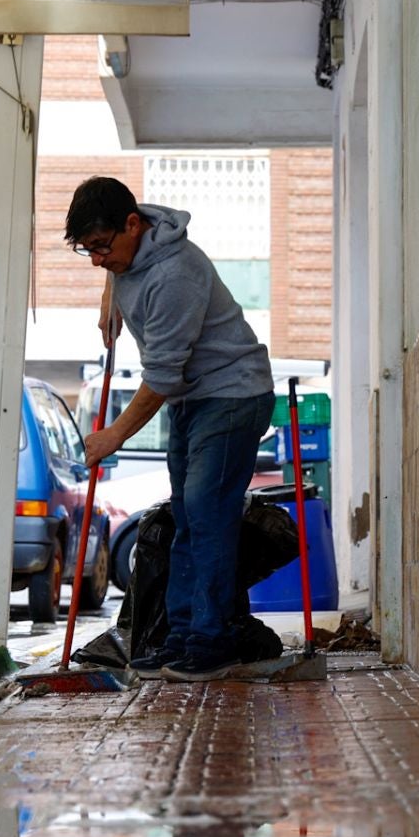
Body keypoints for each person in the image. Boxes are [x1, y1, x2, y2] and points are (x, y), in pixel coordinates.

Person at [65, 175, 274, 682]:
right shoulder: (131, 251)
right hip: (194, 399)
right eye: (87, 251)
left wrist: (113, 435)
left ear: (132, 225)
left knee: (206, 512)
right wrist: (108, 296)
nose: (97, 259)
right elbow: (119, 269)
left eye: (101, 247)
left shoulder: (176, 273)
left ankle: (213, 639)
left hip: (232, 395)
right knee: (186, 516)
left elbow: (161, 377)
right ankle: (181, 636)